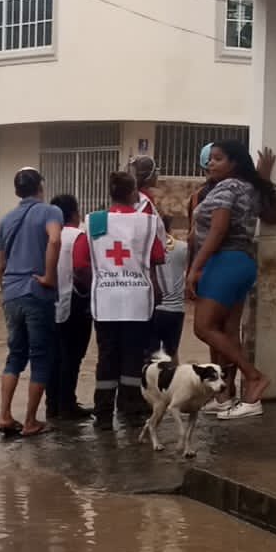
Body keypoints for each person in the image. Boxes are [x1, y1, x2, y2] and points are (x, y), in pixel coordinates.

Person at [186, 141, 276, 420]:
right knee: (228, 330)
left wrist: (195, 269)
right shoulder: (249, 188)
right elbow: (275, 217)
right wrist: (264, 180)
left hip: (224, 262)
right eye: (210, 159)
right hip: (243, 263)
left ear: (234, 163)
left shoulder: (227, 188)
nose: (211, 163)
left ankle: (253, 377)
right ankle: (224, 395)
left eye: (218, 159)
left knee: (203, 328)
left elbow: (217, 232)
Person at [88, 171, 166, 428]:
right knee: (133, 357)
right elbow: (156, 257)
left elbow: (80, 262)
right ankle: (131, 410)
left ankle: (102, 415)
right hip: (137, 300)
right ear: (134, 193)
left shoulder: (95, 220)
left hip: (105, 301)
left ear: (110, 193)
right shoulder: (146, 222)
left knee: (107, 357)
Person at [0, 168, 62, 438]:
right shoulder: (50, 212)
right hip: (36, 293)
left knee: (15, 355)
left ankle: (4, 415)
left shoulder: (5, 221)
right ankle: (31, 420)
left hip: (11, 293)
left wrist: (7, 289)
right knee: (41, 356)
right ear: (40, 186)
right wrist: (48, 276)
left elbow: (1, 264)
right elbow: (55, 239)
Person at [47, 194, 94, 421]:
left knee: (53, 355)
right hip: (75, 303)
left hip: (48, 302)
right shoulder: (78, 236)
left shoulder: (47, 236)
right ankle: (67, 404)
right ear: (75, 214)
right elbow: (82, 268)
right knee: (73, 355)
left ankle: (52, 406)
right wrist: (92, 287)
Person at [153, 215, 188, 363]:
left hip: (152, 309)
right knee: (172, 353)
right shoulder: (182, 247)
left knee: (150, 355)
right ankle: (173, 384)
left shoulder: (145, 248)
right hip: (175, 310)